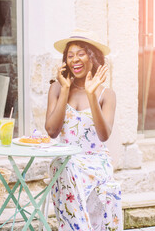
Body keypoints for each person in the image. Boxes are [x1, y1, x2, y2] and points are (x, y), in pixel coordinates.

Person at [45, 29, 122, 230]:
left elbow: (104, 135)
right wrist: (64, 90)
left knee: (65, 167)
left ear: (92, 57)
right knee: (62, 164)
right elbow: (52, 131)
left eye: (80, 53)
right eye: (70, 56)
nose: (74, 59)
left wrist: (91, 95)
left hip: (95, 161)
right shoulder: (56, 88)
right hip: (66, 160)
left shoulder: (107, 94)